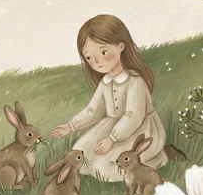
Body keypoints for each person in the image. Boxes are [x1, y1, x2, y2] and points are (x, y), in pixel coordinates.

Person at [51, 13, 170, 182]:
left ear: (121, 46)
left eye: (103, 52)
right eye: (89, 57)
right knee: (81, 155)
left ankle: (155, 159)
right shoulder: (106, 82)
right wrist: (71, 126)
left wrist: (113, 138)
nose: (97, 61)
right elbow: (94, 110)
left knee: (105, 169)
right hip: (112, 126)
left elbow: (133, 116)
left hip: (139, 130)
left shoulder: (134, 81)